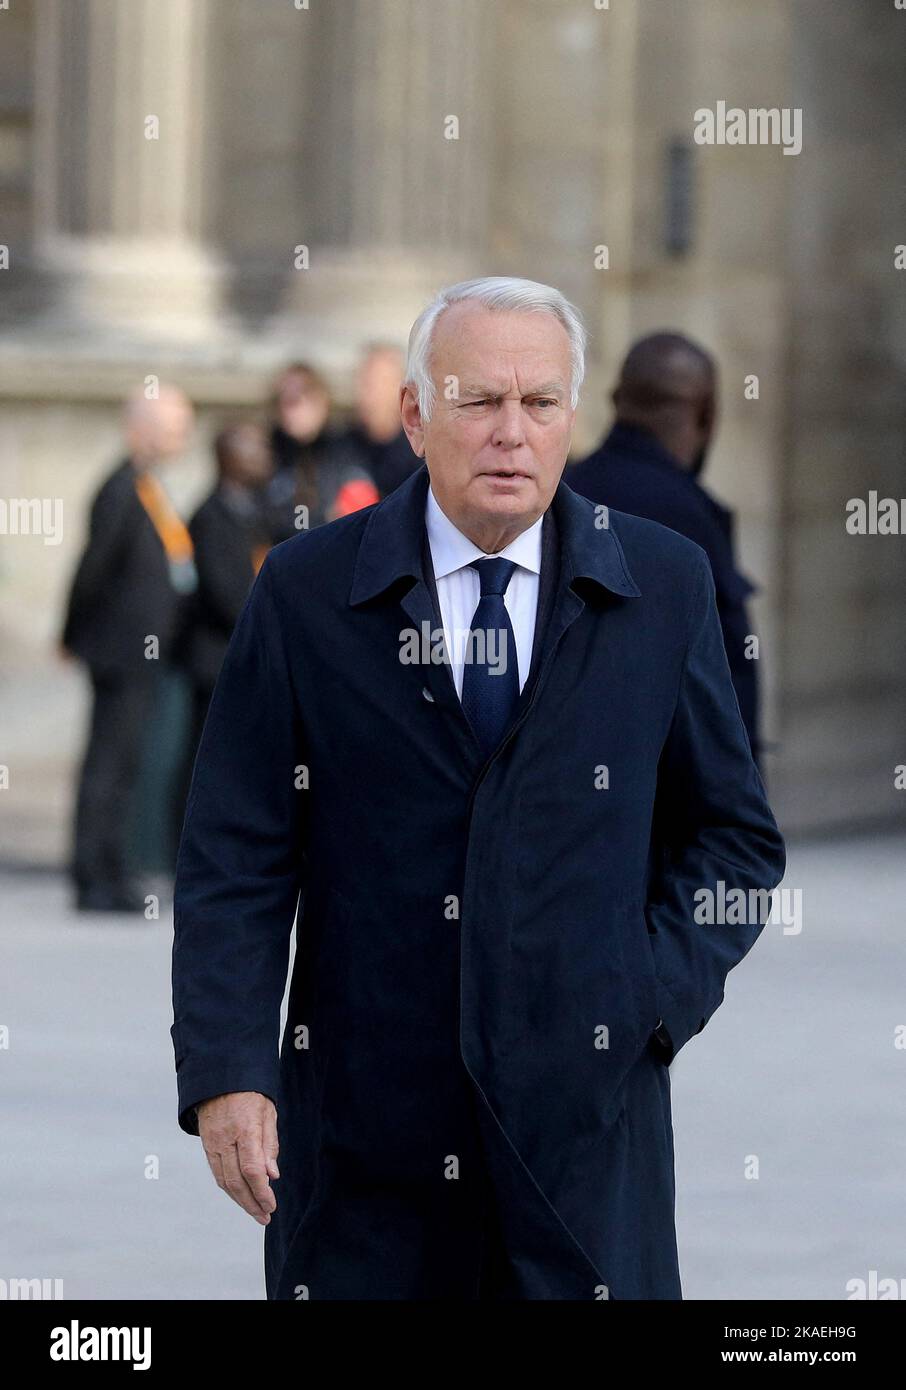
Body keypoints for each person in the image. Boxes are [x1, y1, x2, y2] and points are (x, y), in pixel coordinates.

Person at [171, 277, 785, 1301]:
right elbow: (235, 851)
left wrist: (644, 999)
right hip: (366, 1151)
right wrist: (230, 1069)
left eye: (540, 403)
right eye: (477, 401)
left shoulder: (662, 583)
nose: (513, 433)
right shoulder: (308, 591)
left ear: (572, 420)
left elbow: (733, 838)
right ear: (415, 415)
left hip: (583, 1149)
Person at [569, 333, 761, 761]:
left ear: (616, 400)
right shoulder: (691, 517)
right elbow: (723, 685)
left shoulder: (564, 494)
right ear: (706, 414)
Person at [61, 384, 195, 912]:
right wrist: (72, 633)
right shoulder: (119, 488)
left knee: (126, 762)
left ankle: (110, 866)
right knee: (109, 764)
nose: (180, 439)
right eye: (171, 428)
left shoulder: (147, 487)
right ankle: (95, 874)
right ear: (141, 430)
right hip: (119, 651)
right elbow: (93, 569)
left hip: (145, 652)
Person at [176, 420, 274, 780]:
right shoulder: (211, 517)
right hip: (215, 663)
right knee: (206, 763)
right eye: (252, 446)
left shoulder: (254, 511)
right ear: (227, 455)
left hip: (245, 657)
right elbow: (228, 596)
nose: (264, 455)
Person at [262, 363, 379, 541]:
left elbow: (362, 513)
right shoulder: (268, 453)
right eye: (285, 401)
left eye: (301, 398)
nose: (293, 411)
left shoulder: (346, 451)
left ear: (322, 402)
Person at [337, 343, 419, 497]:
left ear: (402, 390)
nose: (370, 392)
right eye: (365, 381)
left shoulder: (420, 451)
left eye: (381, 381)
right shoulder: (339, 447)